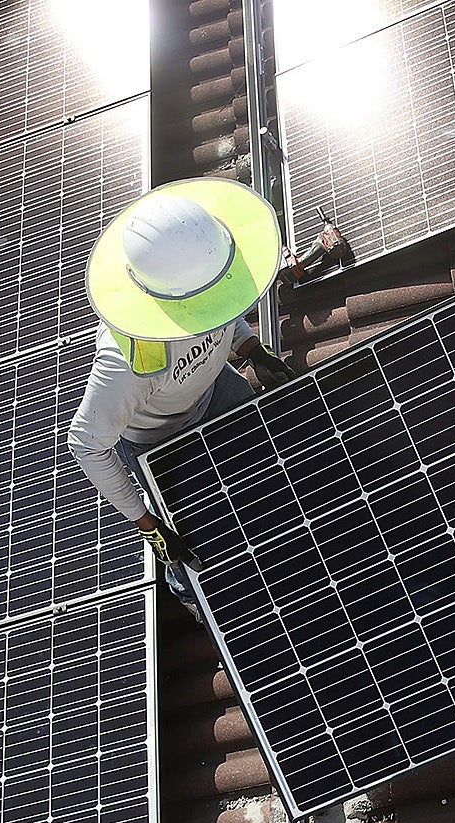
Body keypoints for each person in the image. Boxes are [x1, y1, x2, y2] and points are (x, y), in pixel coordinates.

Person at [70, 176, 308, 584]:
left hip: (217, 392)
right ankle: (188, 588)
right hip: (160, 444)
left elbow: (219, 306)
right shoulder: (126, 360)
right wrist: (148, 525)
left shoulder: (203, 272)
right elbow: (87, 444)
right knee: (202, 548)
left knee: (271, 476)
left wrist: (251, 348)